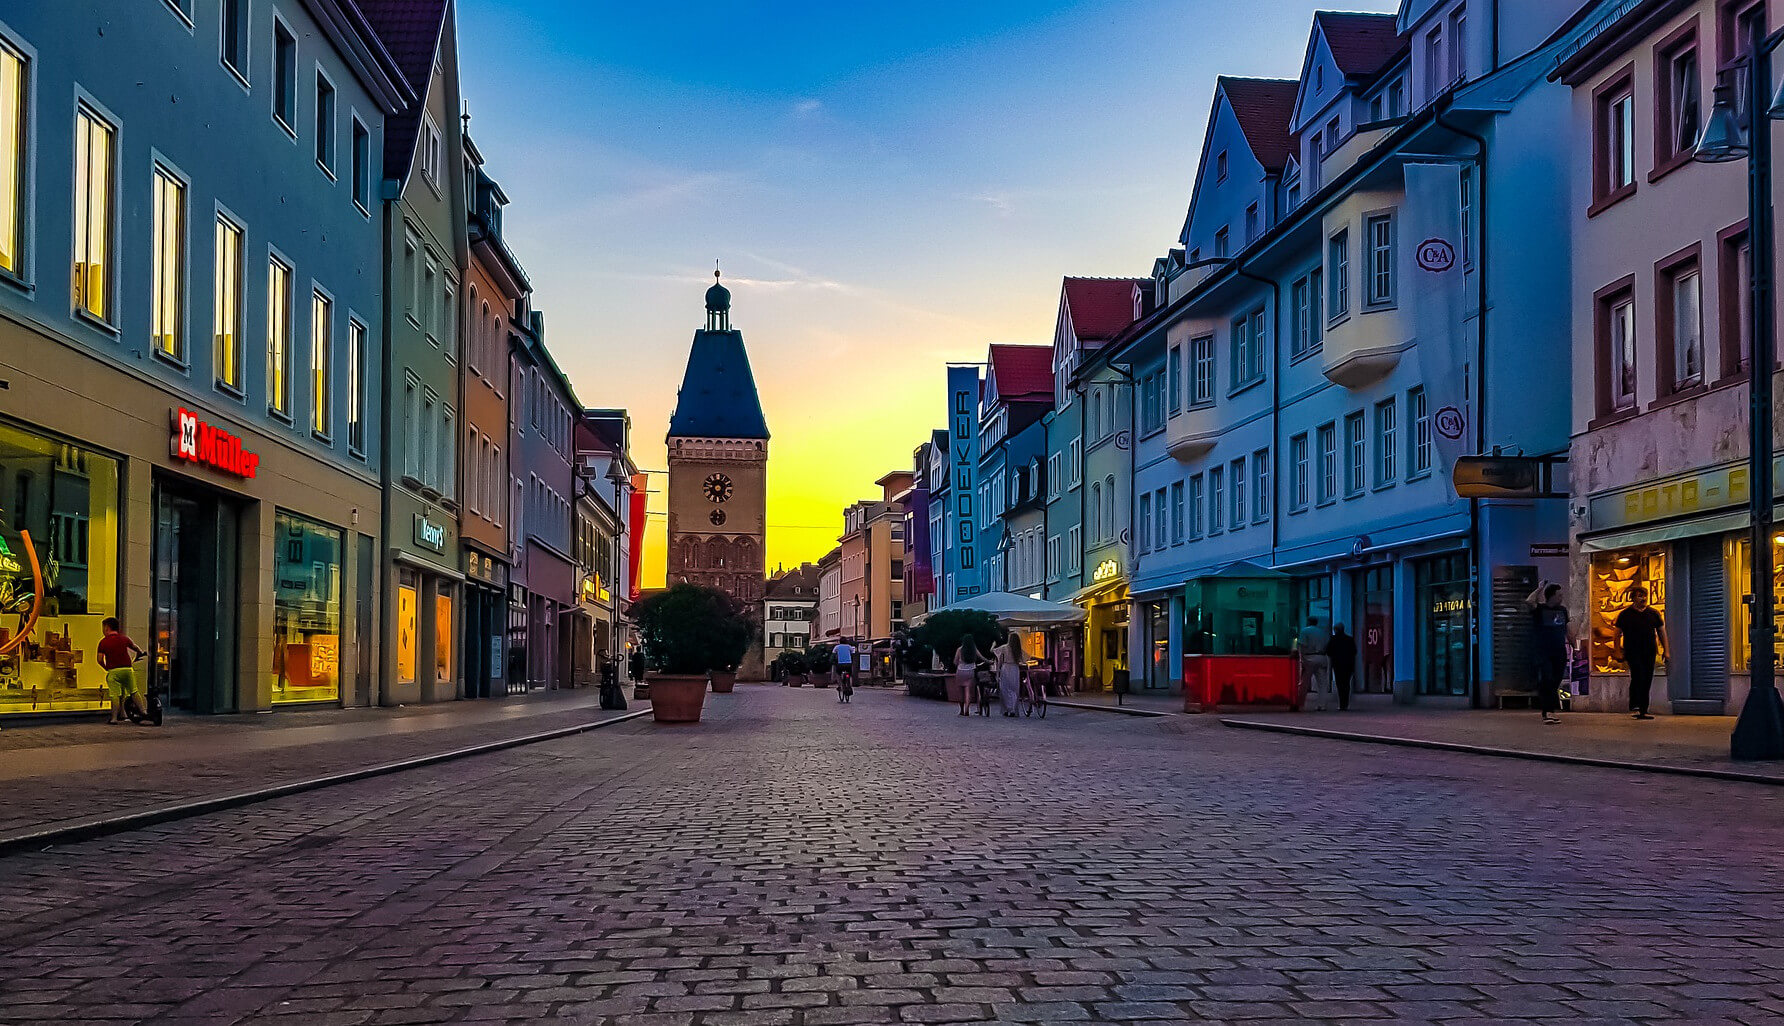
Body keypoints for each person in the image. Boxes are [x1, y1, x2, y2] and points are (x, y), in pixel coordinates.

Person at [1615, 585, 1668, 720]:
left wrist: (1666, 650)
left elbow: (1661, 632)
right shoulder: (1625, 615)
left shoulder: (1653, 614)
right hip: (1632, 651)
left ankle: (1644, 709)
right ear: (1633, 598)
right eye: (1640, 596)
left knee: (1647, 678)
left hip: (1649, 651)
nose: (1643, 598)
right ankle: (1635, 703)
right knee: (1638, 675)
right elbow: (1617, 634)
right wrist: (1617, 651)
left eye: (1644, 596)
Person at [1525, 582, 1570, 725]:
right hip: (1543, 651)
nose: (1561, 597)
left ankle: (1550, 710)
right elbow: (1529, 601)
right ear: (1551, 596)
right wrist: (1539, 588)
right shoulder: (1540, 609)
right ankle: (1548, 711)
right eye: (1559, 595)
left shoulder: (1562, 610)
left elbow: (1567, 627)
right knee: (1547, 679)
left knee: (1556, 680)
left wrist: (1573, 643)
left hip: (1559, 651)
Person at [96, 618, 147, 725]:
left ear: (107, 628)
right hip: (127, 670)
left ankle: (114, 718)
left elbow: (99, 659)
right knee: (134, 691)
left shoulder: (103, 642)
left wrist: (106, 668)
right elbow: (135, 647)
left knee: (115, 695)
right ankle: (143, 711)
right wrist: (140, 653)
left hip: (114, 671)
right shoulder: (124, 639)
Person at [1296, 616, 1330, 712]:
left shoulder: (1305, 631)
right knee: (1322, 683)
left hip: (1309, 657)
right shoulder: (1323, 632)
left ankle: (1300, 703)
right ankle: (1322, 705)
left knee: (1304, 682)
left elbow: (1302, 645)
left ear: (1308, 622)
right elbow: (1327, 644)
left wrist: (1301, 658)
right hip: (1322, 657)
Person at [994, 633, 1026, 717]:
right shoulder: (1018, 649)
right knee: (1014, 689)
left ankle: (1008, 708)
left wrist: (993, 645)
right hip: (1015, 669)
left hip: (1006, 668)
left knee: (1005, 689)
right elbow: (1023, 660)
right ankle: (1012, 708)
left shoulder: (1004, 648)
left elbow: (996, 654)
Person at [1327, 624, 1357, 712]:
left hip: (1337, 665)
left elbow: (1328, 652)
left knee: (1340, 684)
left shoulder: (1333, 639)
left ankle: (1341, 704)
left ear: (1336, 630)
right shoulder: (1349, 639)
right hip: (1348, 664)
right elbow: (1354, 651)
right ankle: (1346, 703)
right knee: (1347, 684)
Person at [954, 635, 985, 717]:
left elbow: (955, 661)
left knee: (960, 692)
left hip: (960, 672)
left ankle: (961, 710)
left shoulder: (960, 649)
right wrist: (989, 661)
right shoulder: (974, 649)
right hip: (970, 672)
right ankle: (967, 709)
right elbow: (982, 658)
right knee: (968, 692)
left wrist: (959, 664)